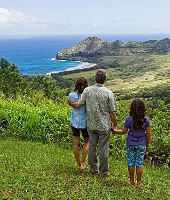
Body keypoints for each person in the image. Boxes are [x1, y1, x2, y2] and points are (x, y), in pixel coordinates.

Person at [69, 69, 118, 177]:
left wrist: (70, 103)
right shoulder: (108, 93)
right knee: (103, 149)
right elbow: (112, 113)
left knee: (92, 147)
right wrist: (115, 125)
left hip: (91, 124)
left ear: (95, 78)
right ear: (104, 79)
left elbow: (79, 104)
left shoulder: (87, 90)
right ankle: (103, 172)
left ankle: (93, 168)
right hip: (104, 125)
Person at [112, 98, 151, 187]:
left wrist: (114, 131)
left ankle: (131, 180)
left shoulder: (129, 119)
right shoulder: (146, 119)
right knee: (139, 163)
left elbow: (124, 131)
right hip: (142, 143)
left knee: (131, 162)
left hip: (130, 144)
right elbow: (148, 133)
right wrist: (147, 143)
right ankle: (139, 182)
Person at [69, 77, 89, 170]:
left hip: (74, 121)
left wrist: (71, 103)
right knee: (86, 142)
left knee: (76, 143)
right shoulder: (87, 96)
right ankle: (83, 163)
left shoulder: (71, 95)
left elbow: (73, 104)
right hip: (85, 122)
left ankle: (78, 163)